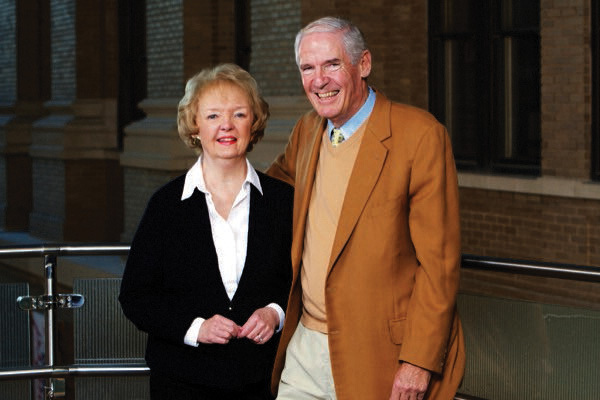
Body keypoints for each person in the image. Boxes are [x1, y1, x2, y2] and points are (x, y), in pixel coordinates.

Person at [266, 17, 465, 400]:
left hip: (381, 355)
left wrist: (419, 361)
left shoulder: (419, 136)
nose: (319, 80)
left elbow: (439, 265)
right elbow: (265, 195)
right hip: (305, 346)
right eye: (308, 68)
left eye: (332, 64)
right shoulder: (307, 131)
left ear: (364, 64)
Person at [119, 63, 293, 400]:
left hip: (264, 382)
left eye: (239, 114)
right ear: (194, 126)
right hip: (180, 383)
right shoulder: (166, 205)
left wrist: (275, 313)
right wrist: (197, 328)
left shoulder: (283, 201)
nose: (226, 125)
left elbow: (301, 281)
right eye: (213, 116)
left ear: (253, 123)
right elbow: (136, 297)